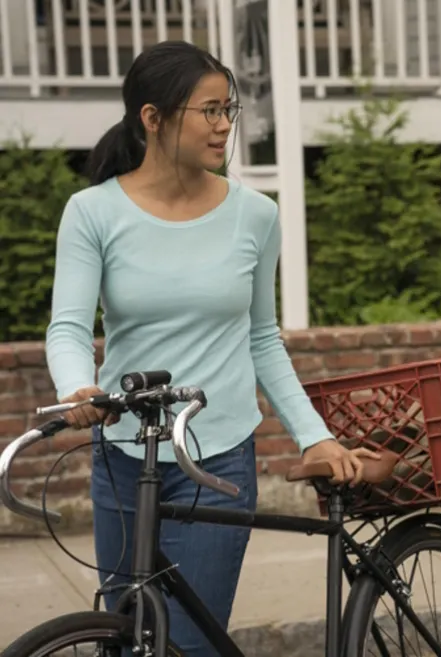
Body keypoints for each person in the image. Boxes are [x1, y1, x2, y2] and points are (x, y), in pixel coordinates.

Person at [44, 41, 377, 656]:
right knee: (125, 642)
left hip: (216, 458)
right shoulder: (92, 213)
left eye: (230, 109)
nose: (225, 125)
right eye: (210, 110)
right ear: (153, 117)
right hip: (123, 455)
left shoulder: (254, 214)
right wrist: (77, 388)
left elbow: (262, 338)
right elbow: (67, 327)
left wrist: (314, 434)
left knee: (190, 645)